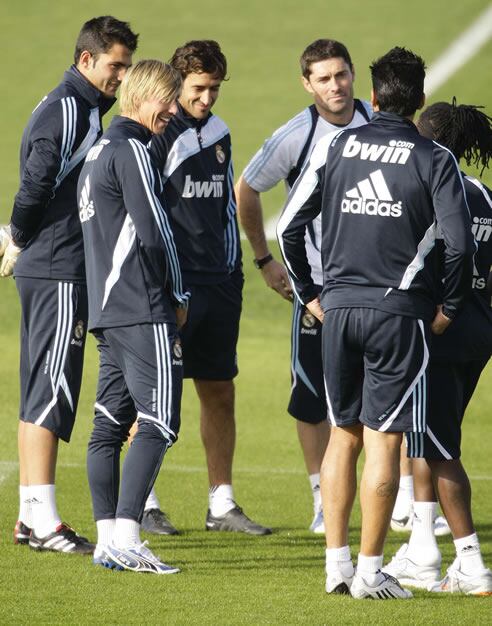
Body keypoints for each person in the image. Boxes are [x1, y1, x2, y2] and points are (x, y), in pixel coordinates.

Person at [278, 47, 475, 599]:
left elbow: (290, 226)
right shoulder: (434, 158)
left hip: (337, 312)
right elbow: (458, 247)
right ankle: (369, 572)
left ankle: (336, 565)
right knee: (383, 440)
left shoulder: (339, 144)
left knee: (342, 435)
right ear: (421, 100)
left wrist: (311, 294)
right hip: (398, 315)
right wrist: (451, 307)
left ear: (372, 97)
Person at [1, 16, 137, 554]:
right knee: (51, 390)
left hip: (56, 265)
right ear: (87, 60)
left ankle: (30, 514)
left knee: (45, 385)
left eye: (126, 66)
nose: (121, 77)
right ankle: (42, 521)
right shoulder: (68, 110)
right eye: (115, 66)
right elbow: (35, 180)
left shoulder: (79, 106)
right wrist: (18, 235)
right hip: (56, 267)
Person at [235, 39, 371, 533]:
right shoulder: (298, 134)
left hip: (376, 285)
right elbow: (247, 187)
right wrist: (266, 260)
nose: (335, 86)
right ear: (307, 84)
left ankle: (399, 500)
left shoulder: (377, 122)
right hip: (316, 290)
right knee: (312, 395)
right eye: (323, 78)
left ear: (353, 74)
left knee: (385, 389)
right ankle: (322, 499)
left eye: (341, 75)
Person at [146, 40, 270, 535]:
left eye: (215, 88)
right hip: (173, 285)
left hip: (220, 281)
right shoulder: (157, 135)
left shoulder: (219, 131)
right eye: (199, 88)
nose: (208, 98)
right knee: (156, 395)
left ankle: (221, 504)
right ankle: (144, 500)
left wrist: (238, 267)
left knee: (219, 390)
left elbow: (222, 205)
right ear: (177, 85)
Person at [79, 59, 189, 574]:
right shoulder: (133, 149)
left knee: (107, 427)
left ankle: (107, 541)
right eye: (167, 99)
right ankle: (127, 535)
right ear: (142, 96)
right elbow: (155, 230)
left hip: (106, 309)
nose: (173, 109)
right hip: (142, 306)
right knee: (160, 420)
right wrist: (179, 292)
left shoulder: (98, 150)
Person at [383, 99, 492, 596]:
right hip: (480, 335)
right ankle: (422, 549)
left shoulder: (433, 190)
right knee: (424, 438)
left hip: (439, 335)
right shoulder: (485, 196)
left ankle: (469, 559)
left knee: (440, 446)